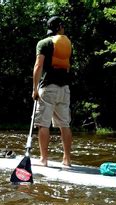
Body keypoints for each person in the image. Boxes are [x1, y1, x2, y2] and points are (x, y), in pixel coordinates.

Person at [32, 16, 72, 167]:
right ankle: (67, 160)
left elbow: (38, 65)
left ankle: (44, 160)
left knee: (43, 124)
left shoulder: (44, 43)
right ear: (60, 27)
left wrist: (34, 89)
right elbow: (67, 67)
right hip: (65, 89)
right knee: (65, 125)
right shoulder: (68, 44)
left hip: (48, 88)